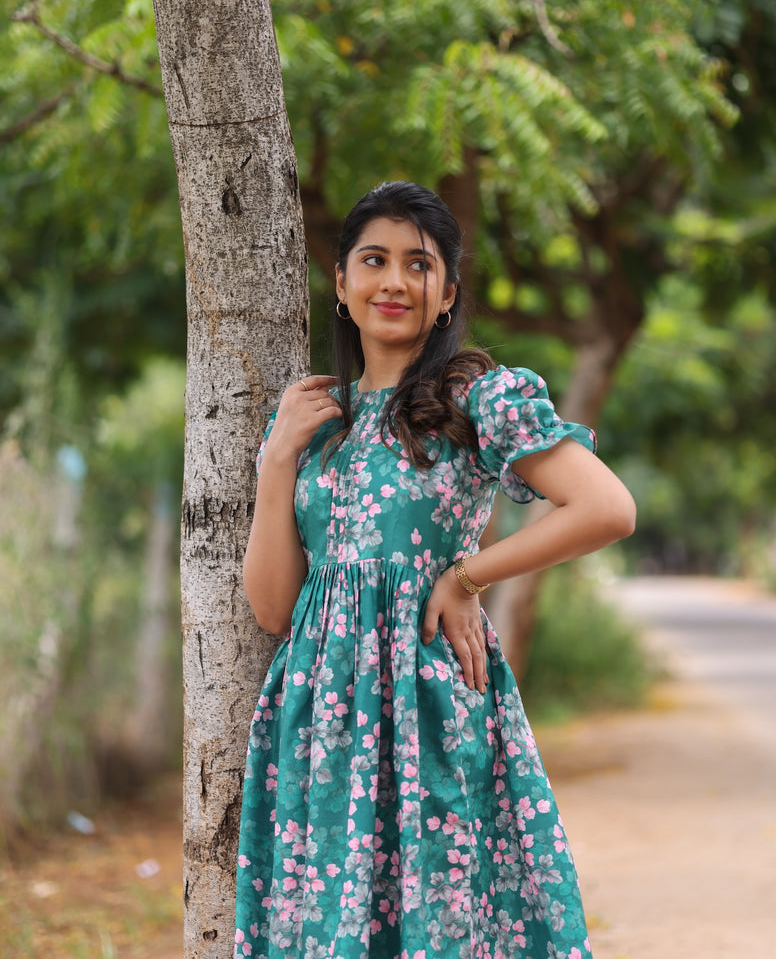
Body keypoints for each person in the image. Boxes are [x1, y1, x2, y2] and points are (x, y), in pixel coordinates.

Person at [235, 181, 635, 959]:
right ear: (344, 287)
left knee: (445, 919)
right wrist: (278, 458)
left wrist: (465, 579)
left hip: (431, 702)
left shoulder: (475, 398)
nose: (394, 282)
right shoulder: (311, 423)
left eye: (418, 265)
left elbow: (606, 508)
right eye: (373, 261)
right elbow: (275, 608)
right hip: (323, 720)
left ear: (447, 292)